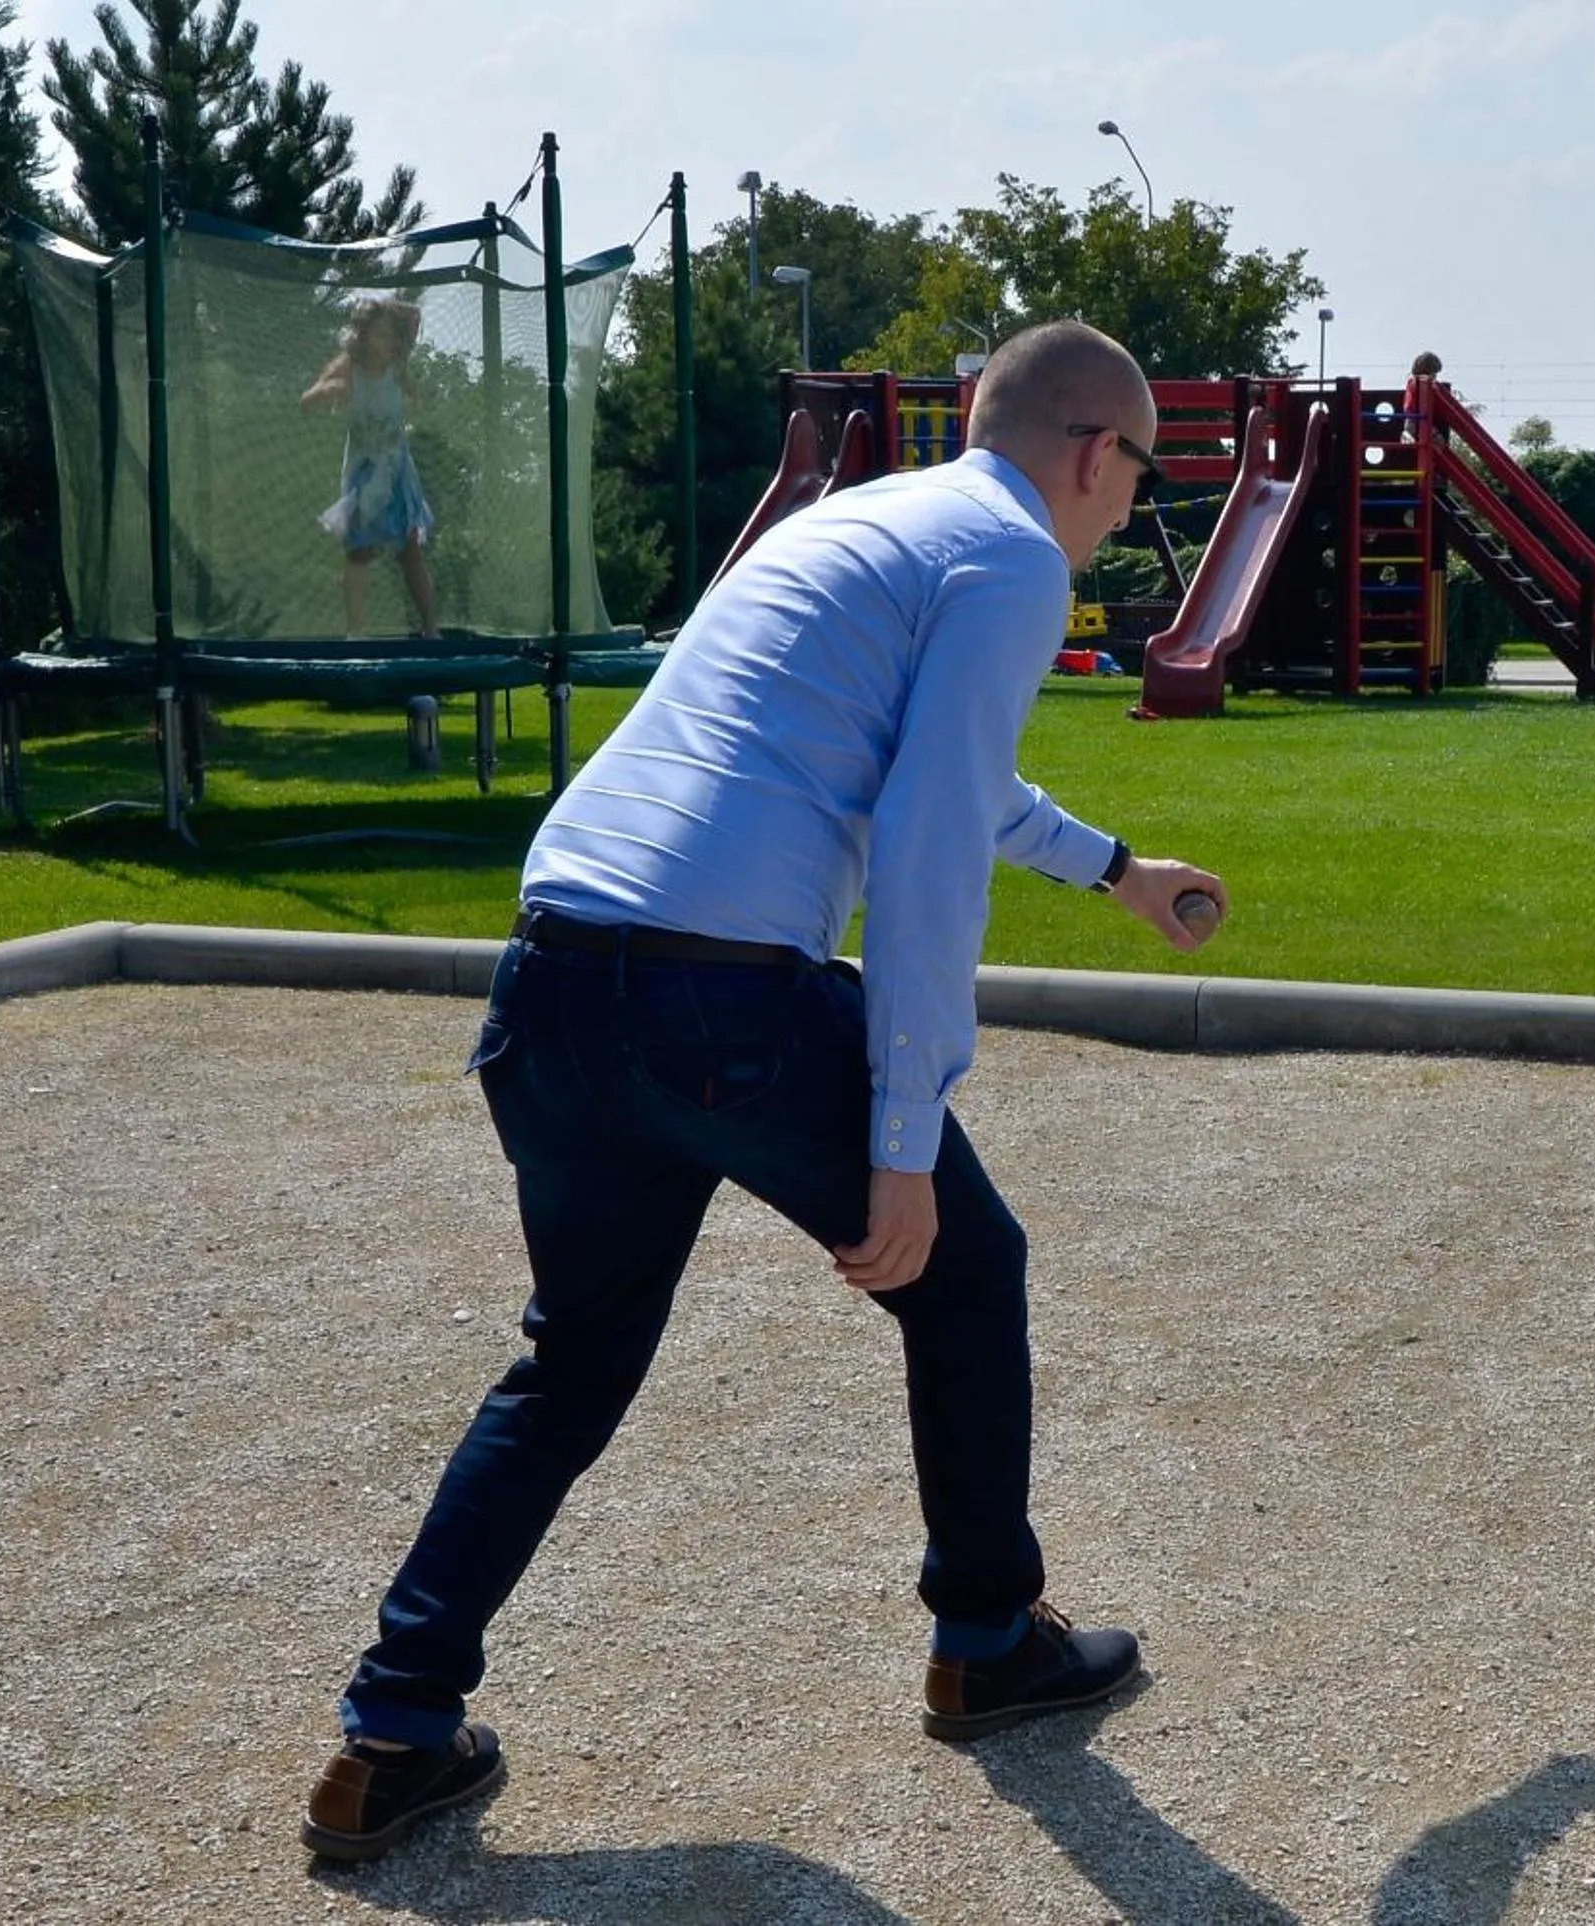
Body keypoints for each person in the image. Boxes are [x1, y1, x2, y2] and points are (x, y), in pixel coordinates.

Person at [300, 320, 1219, 1864]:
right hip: (717, 994)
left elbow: (946, 772)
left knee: (572, 1362)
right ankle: (989, 1642)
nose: (1132, 506)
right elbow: (927, 852)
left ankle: (390, 1734)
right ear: (1086, 450)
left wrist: (1116, 869)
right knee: (968, 1267)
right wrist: (904, 1134)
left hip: (551, 975)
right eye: (1138, 472)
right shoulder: (1012, 560)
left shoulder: (859, 521)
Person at [302, 296, 442, 639]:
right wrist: (326, 391)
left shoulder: (399, 367)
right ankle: (355, 631)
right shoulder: (349, 368)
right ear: (361, 337)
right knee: (359, 550)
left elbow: (413, 316)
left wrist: (387, 312)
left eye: (391, 336)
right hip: (362, 473)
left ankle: (430, 627)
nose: (388, 343)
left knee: (409, 548)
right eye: (379, 335)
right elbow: (306, 401)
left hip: (396, 471)